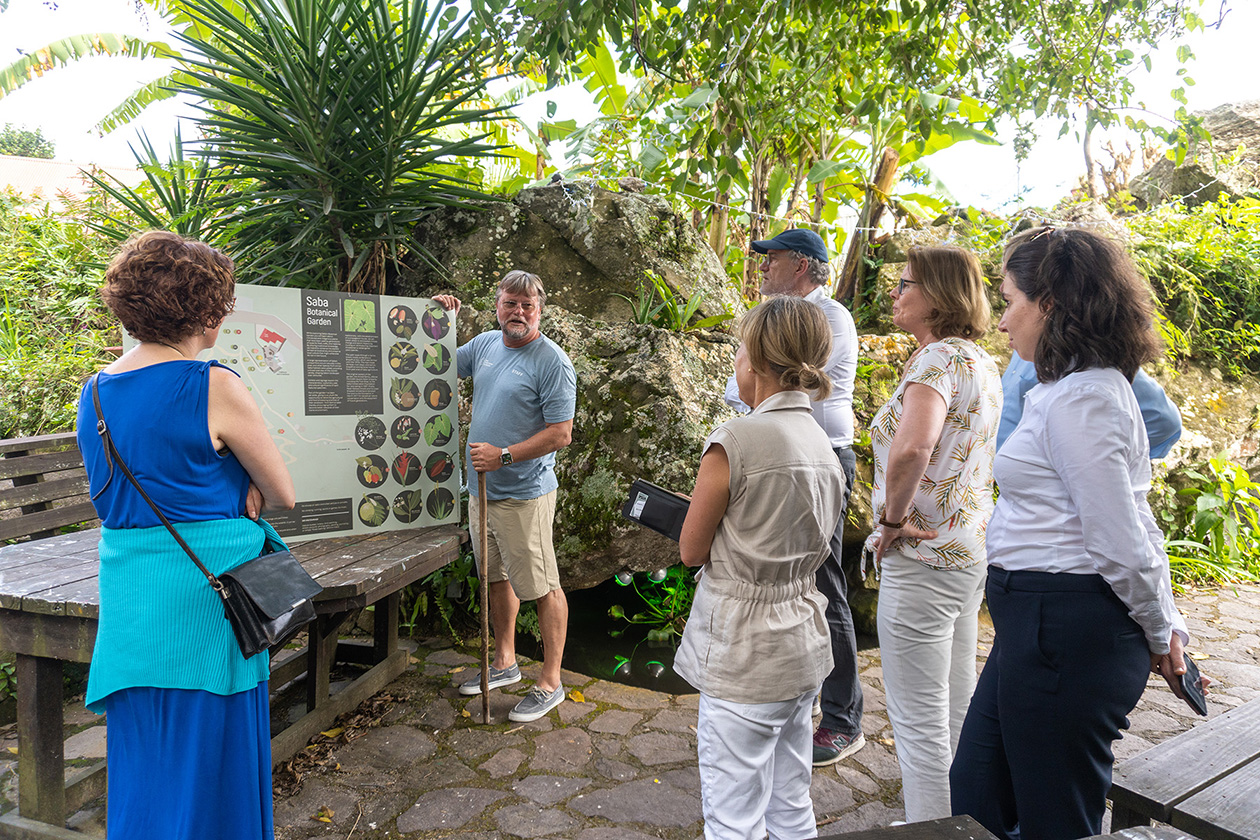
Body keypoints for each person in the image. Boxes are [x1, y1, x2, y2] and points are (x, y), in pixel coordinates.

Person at [950, 226, 1202, 840]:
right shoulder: (1067, 388)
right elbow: (1135, 513)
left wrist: (1159, 625)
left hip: (1066, 624)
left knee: (1054, 817)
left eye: (1010, 302)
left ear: (1052, 304)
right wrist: (1163, 614)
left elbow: (1119, 534)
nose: (1003, 323)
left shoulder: (1085, 397)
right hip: (1035, 624)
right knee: (978, 789)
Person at [76, 231, 296, 840]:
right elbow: (283, 492)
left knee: (145, 768)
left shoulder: (93, 392)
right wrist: (238, 488)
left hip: (133, 608)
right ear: (204, 309)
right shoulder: (212, 383)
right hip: (209, 605)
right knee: (213, 773)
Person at [677, 295, 847, 840]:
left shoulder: (735, 441)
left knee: (733, 818)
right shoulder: (822, 440)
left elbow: (691, 551)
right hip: (800, 641)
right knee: (791, 803)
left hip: (746, 651)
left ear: (754, 359)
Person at [864, 246, 1002, 822]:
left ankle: (929, 828)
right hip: (966, 550)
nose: (895, 293)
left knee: (918, 720)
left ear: (940, 295)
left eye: (906, 284)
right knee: (954, 707)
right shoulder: (981, 361)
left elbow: (914, 446)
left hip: (921, 554)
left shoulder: (935, 361)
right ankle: (959, 820)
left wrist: (892, 522)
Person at [722, 227, 865, 766]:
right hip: (775, 451)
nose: (762, 267)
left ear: (802, 265)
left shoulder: (827, 317)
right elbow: (743, 391)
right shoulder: (781, 316)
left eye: (772, 258)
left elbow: (777, 388)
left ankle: (844, 718)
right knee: (783, 581)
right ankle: (785, 698)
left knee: (824, 583)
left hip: (818, 456)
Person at [433, 271, 577, 723]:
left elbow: (561, 433)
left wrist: (505, 455)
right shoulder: (484, 346)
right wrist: (439, 321)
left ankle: (551, 682)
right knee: (495, 577)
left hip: (523, 494)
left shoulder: (552, 362)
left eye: (527, 306)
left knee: (542, 585)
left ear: (540, 310)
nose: (518, 312)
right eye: (510, 303)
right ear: (497, 304)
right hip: (481, 491)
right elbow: (435, 363)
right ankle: (505, 663)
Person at [998, 351, 1182, 457]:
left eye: (1010, 301)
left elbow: (1164, 422)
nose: (1002, 324)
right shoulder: (1024, 345)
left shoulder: (1090, 358)